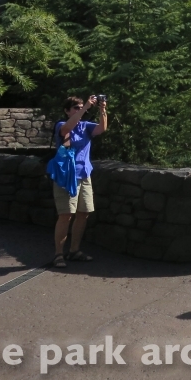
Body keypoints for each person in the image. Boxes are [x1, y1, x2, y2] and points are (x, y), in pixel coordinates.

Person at [52, 95, 107, 268]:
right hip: (67, 176)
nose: (79, 109)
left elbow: (102, 129)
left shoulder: (85, 127)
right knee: (66, 215)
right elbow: (67, 128)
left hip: (84, 174)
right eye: (75, 107)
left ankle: (74, 251)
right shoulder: (62, 125)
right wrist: (85, 109)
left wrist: (102, 109)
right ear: (67, 111)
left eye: (80, 107)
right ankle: (58, 254)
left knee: (84, 213)